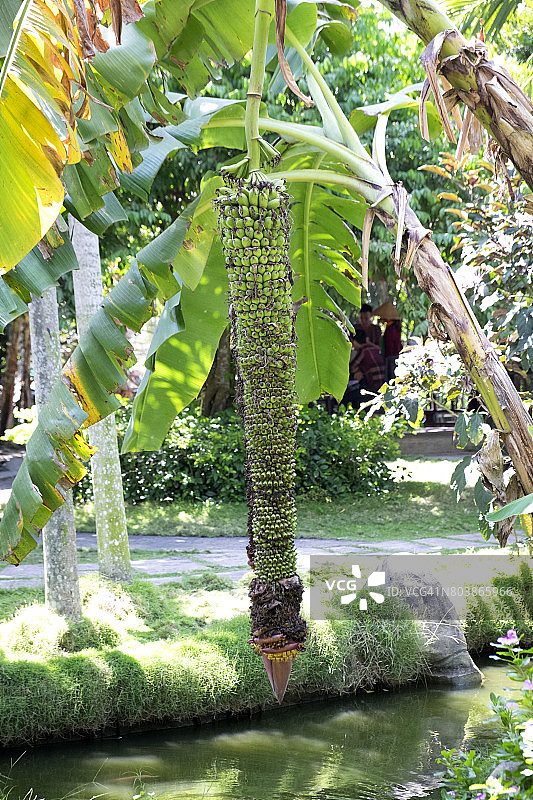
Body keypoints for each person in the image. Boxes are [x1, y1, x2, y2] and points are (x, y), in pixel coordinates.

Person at [342, 329, 386, 408]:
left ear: (354, 341)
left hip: (372, 388)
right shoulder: (375, 349)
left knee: (345, 398)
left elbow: (351, 368)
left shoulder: (363, 351)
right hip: (381, 388)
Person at [373, 301, 402, 381]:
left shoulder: (391, 328)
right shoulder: (394, 327)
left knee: (391, 379)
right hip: (393, 356)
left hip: (391, 357)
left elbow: (390, 345)